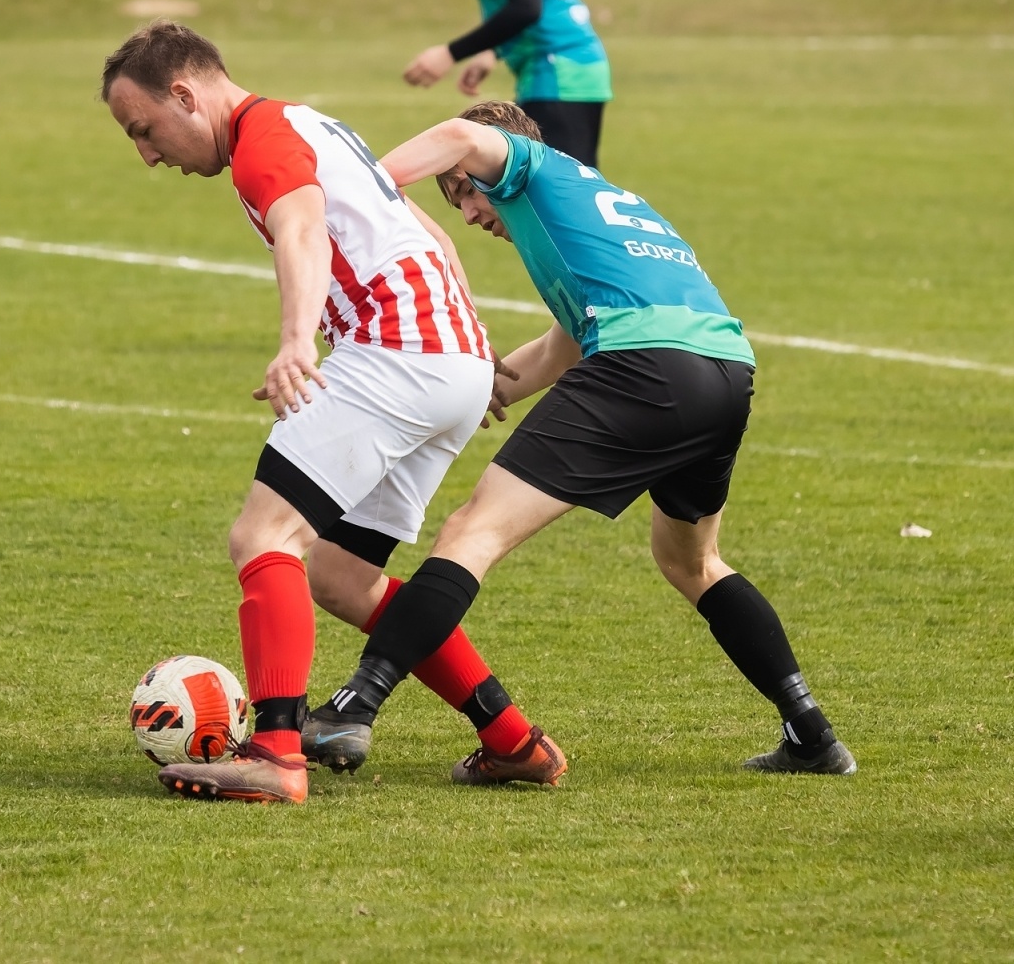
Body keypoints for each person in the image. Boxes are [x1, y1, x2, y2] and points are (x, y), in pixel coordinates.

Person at [302, 101, 857, 784]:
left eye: (465, 191)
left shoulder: (529, 168)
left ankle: (353, 707)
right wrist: (478, 383)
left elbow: (459, 136)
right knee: (692, 562)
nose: (469, 214)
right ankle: (812, 734)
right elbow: (564, 347)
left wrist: (368, 193)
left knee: (472, 533)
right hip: (724, 373)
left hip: (646, 366)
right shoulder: (593, 204)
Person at [100, 22, 558, 804]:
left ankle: (275, 754)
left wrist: (293, 342)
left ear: (185, 95)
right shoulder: (315, 123)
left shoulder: (262, 140)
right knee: (343, 576)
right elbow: (431, 236)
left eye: (145, 130)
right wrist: (469, 348)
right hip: (446, 361)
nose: (148, 155)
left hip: (396, 350)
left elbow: (301, 228)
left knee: (263, 535)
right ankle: (512, 740)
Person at [402, 0, 611, 168]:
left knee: (560, 201)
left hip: (558, 74)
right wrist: (493, 51)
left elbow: (527, 6)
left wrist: (450, 54)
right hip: (559, 72)